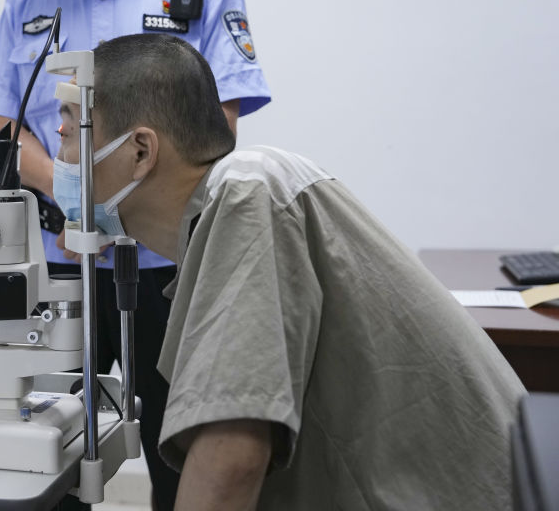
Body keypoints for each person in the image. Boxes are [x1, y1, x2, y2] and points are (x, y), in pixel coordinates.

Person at [53, 32, 525, 511]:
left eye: (70, 131)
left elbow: (232, 458)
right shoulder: (236, 204)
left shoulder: (247, 191)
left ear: (140, 151)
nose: (59, 154)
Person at [0, 0, 271, 507]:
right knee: (43, 453)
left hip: (171, 269)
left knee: (180, 448)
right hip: (61, 268)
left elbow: (217, 127)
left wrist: (116, 193)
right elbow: (2, 121)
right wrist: (70, 188)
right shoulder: (29, 1)